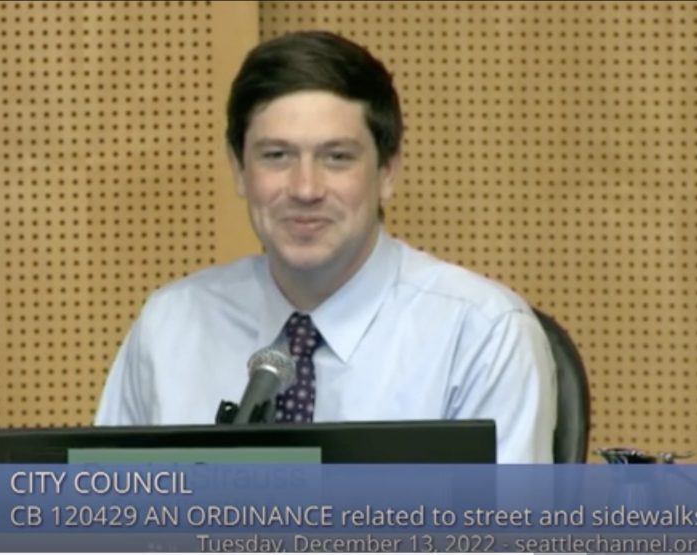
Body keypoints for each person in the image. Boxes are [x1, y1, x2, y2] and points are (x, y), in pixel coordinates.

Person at [95, 30, 557, 463]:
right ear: (239, 168)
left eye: (337, 157)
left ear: (387, 171)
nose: (306, 188)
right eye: (276, 156)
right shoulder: (172, 324)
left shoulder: (480, 335)